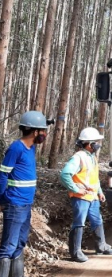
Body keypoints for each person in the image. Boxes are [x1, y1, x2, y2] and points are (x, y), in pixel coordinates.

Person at [0, 111, 49, 277]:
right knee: (8, 247)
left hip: (26, 205)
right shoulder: (16, 148)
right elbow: (3, 174)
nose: (45, 134)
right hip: (15, 204)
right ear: (35, 132)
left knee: (20, 244)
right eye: (43, 131)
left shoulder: (31, 148)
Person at [60, 127, 112, 263]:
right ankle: (75, 252)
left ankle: (101, 246)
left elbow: (94, 177)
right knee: (79, 222)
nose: (98, 144)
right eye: (96, 142)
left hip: (92, 197)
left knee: (97, 220)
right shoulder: (78, 157)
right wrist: (76, 189)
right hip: (81, 198)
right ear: (89, 144)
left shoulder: (92, 157)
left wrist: (100, 192)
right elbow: (64, 175)